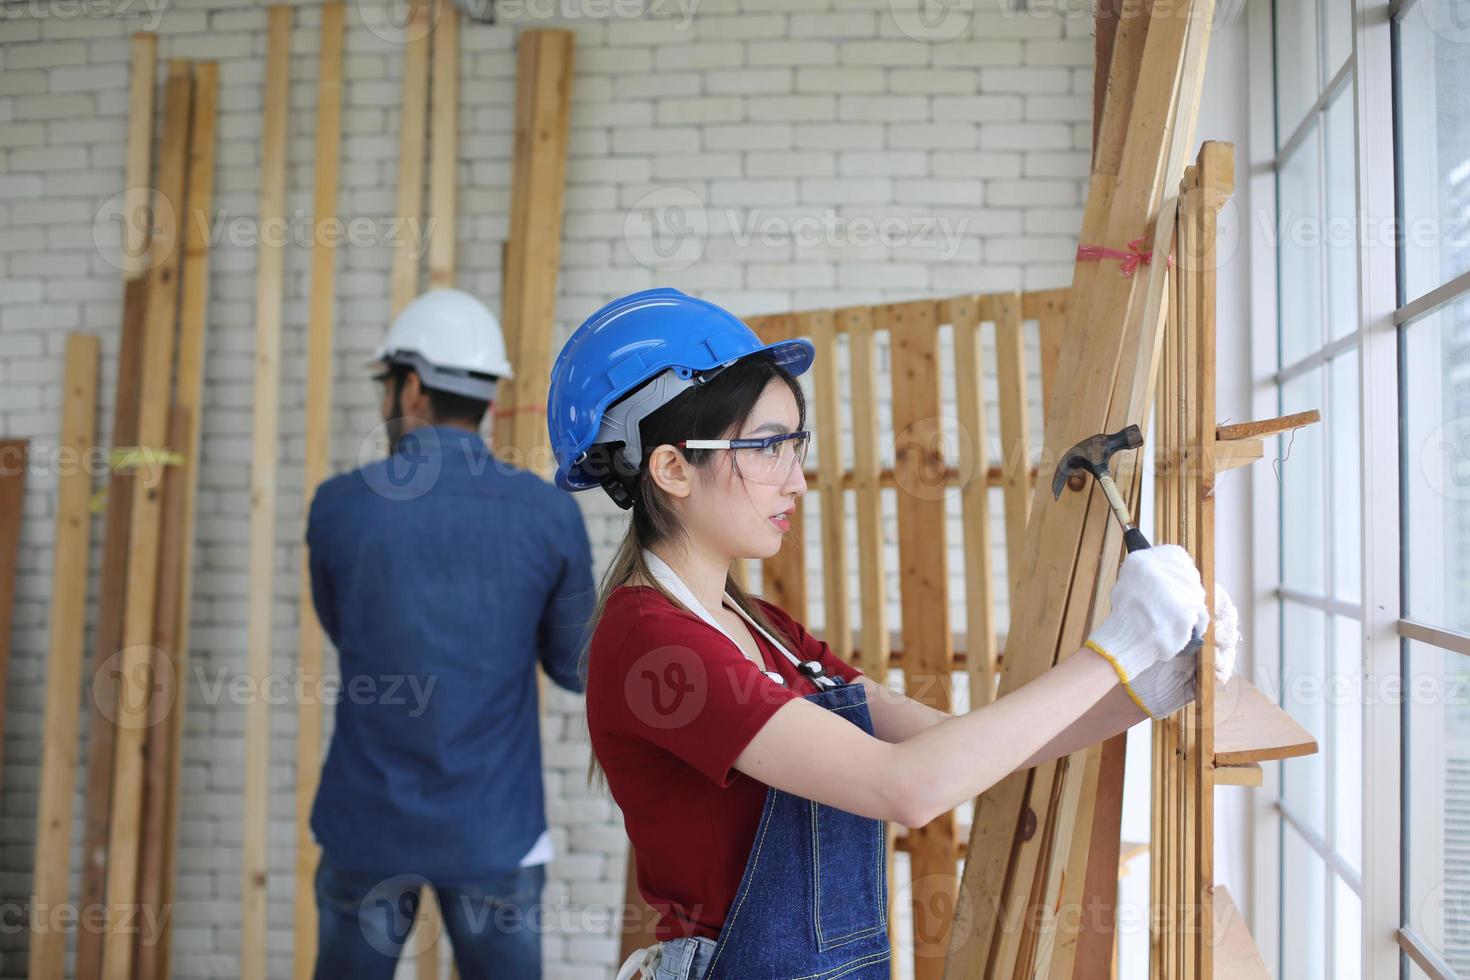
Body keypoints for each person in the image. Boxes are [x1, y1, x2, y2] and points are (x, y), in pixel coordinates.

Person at [544, 288, 1235, 980]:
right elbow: (907, 785)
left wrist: (1148, 682)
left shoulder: (763, 629)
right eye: (766, 448)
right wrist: (1115, 646)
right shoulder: (653, 646)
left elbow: (953, 742)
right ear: (671, 468)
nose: (796, 481)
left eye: (795, 445)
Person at [306, 288, 595, 979]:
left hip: (367, 821)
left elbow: (345, 629)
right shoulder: (545, 513)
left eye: (386, 387)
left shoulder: (339, 507)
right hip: (493, 828)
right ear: (486, 396)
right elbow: (576, 666)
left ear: (410, 387)